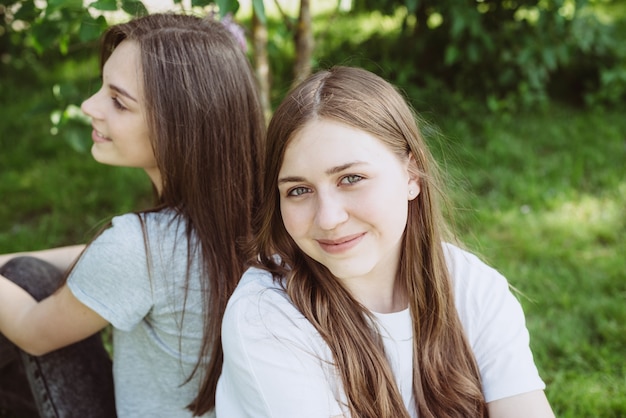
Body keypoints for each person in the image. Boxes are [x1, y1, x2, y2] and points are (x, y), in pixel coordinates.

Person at [216, 66, 554, 418]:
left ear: (411, 175)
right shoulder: (266, 319)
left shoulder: (471, 288)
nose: (328, 218)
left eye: (351, 178)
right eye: (298, 190)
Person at [0, 12, 264, 418]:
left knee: (24, 280)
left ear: (180, 127)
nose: (89, 105)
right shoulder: (254, 218)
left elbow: (34, 331)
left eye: (118, 101)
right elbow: (109, 263)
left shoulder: (138, 247)